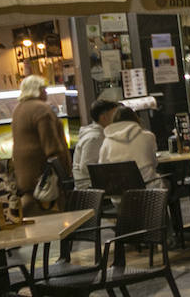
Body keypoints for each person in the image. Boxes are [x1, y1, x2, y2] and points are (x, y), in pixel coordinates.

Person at [9, 75, 72, 213]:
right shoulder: (41, 109)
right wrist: (65, 172)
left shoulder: (18, 110)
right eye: (44, 89)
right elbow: (52, 146)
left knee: (32, 209)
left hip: (25, 173)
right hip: (43, 172)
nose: (46, 92)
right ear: (36, 90)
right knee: (53, 212)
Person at [97, 107, 161, 186]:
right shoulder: (148, 136)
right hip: (148, 190)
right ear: (135, 118)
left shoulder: (107, 142)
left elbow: (102, 168)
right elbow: (154, 163)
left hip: (121, 193)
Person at [72, 99, 120, 190]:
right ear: (103, 118)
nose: (117, 119)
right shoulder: (95, 138)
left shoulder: (98, 134)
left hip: (91, 184)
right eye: (114, 115)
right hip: (88, 188)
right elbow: (86, 168)